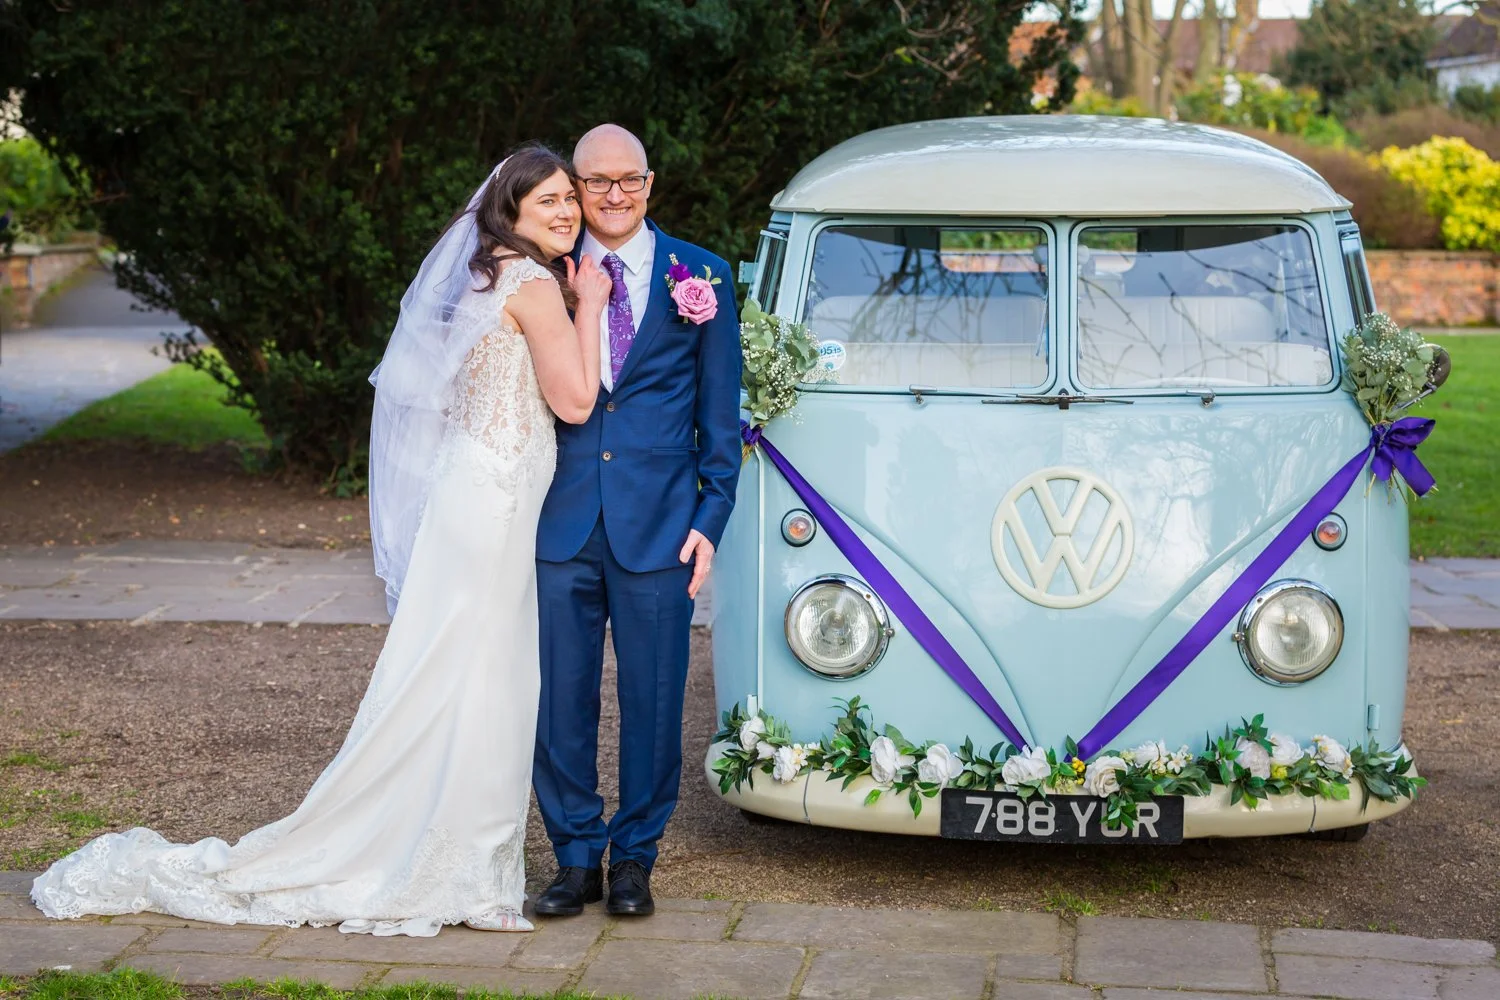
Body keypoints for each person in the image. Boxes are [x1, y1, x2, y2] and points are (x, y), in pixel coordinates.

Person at [30, 144, 611, 938]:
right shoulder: (541, 285)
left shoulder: (487, 272)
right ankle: (463, 872)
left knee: (450, 673)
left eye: (568, 201)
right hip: (497, 503)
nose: (567, 212)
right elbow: (576, 404)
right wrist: (594, 303)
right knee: (486, 679)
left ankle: (459, 862)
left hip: (471, 494)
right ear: (509, 208)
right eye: (548, 200)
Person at [532, 124, 742, 918]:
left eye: (628, 180)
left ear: (650, 183)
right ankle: (575, 856)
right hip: (560, 521)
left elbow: (723, 418)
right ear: (574, 188)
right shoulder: (542, 274)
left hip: (663, 528)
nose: (612, 195)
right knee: (560, 697)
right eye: (595, 182)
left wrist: (710, 518)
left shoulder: (705, 276)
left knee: (655, 700)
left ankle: (634, 861)